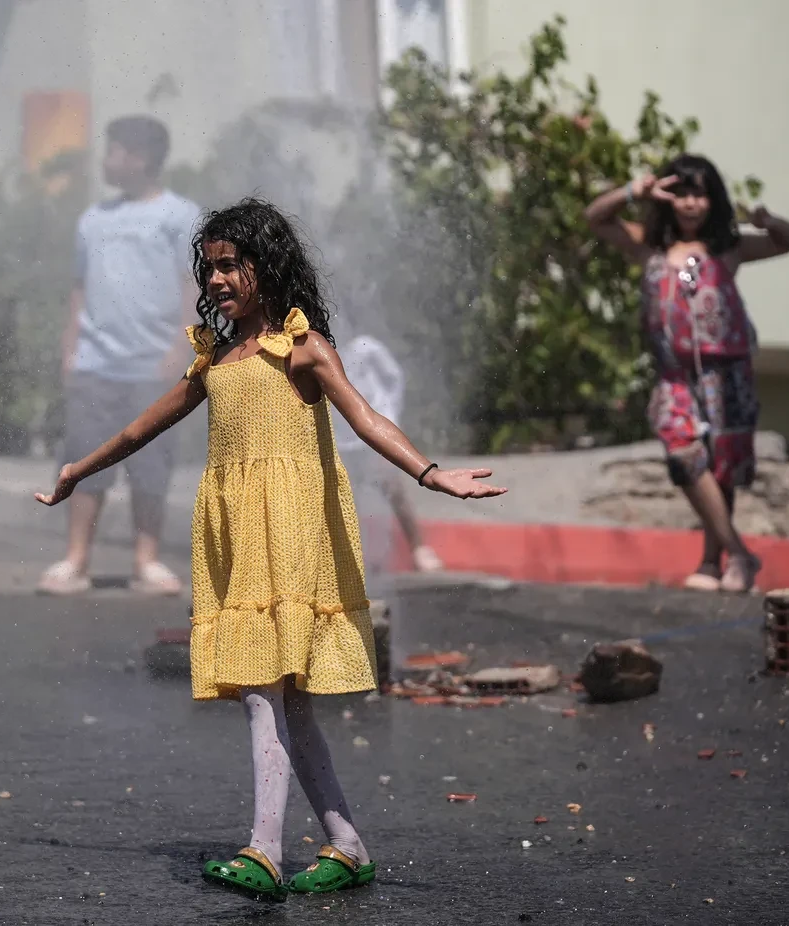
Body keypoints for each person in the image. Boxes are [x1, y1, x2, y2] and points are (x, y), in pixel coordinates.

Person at [36, 198, 506, 899]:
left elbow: (367, 417)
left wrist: (432, 474)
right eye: (211, 267)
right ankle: (347, 845)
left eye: (233, 265)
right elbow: (142, 429)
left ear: (267, 265)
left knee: (262, 691)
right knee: (291, 703)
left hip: (289, 532)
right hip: (236, 532)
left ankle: (263, 849)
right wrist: (80, 467)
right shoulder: (217, 358)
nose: (219, 278)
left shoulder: (301, 346)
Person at [585, 154, 789, 593]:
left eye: (698, 194)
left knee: (721, 467)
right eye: (681, 193)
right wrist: (633, 192)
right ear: (668, 197)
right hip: (674, 374)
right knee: (683, 454)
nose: (689, 204)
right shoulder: (647, 244)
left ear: (713, 199)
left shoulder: (731, 248)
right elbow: (595, 218)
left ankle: (710, 562)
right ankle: (740, 552)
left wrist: (767, 218)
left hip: (727, 372)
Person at [37, 115, 200, 597]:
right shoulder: (93, 220)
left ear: (142, 158)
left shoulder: (180, 216)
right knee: (84, 459)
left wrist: (182, 347)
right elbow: (79, 290)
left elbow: (195, 286)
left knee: (151, 465)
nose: (107, 160)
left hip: (154, 366)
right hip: (97, 365)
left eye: (115, 151)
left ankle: (145, 562)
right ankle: (76, 559)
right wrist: (70, 349)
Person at [332, 316, 444, 574]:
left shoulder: (365, 347)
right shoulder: (325, 351)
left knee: (393, 489)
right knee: (351, 500)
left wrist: (390, 417)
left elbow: (394, 378)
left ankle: (419, 548)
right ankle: (358, 557)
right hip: (344, 441)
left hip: (374, 435)